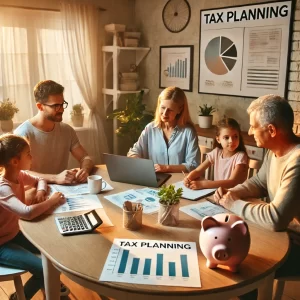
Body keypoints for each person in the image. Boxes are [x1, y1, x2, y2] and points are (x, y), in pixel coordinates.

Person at [213, 95, 300, 300]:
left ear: (271, 130)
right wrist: (234, 192)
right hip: (283, 237)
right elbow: (259, 183)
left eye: (253, 126)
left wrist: (234, 204)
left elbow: (275, 218)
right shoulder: (274, 151)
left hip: (296, 244)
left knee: (240, 259)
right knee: (230, 241)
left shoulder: (297, 161)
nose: (250, 131)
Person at [0, 134, 68, 300]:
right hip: (1, 244)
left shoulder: (19, 175)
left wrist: (40, 191)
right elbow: (27, 213)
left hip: (14, 234)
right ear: (15, 161)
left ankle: (51, 289)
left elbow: (40, 179)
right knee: (43, 269)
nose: (32, 157)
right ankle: (19, 298)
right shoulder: (3, 187)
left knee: (53, 253)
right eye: (28, 154)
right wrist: (52, 200)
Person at [14, 80, 94, 185]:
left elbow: (85, 157)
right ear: (40, 106)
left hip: (63, 190)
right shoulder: (22, 133)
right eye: (56, 105)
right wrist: (55, 178)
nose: (61, 109)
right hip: (35, 192)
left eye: (62, 104)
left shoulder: (67, 130)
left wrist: (85, 170)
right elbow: (19, 173)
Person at [127, 86, 200, 173]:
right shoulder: (150, 128)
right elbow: (133, 152)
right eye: (162, 107)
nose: (165, 113)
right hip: (155, 181)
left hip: (179, 183)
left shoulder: (188, 132)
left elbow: (193, 165)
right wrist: (139, 161)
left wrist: (166, 168)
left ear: (180, 109)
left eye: (170, 110)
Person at [183, 117, 249, 190]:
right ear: (218, 139)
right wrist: (188, 178)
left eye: (235, 136)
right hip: (219, 194)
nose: (231, 141)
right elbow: (198, 170)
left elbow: (231, 182)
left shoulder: (240, 157)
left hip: (236, 197)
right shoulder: (216, 152)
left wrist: (203, 184)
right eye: (226, 137)